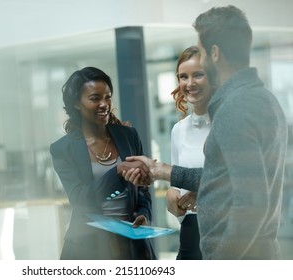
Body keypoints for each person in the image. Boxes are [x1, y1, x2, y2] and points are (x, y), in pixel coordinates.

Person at [125, 5, 288, 259]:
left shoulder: (235, 109)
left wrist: (217, 258)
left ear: (214, 53)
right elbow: (228, 179)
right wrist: (161, 172)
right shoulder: (263, 99)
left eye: (201, 51)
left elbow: (249, 204)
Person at [50, 66, 156, 260]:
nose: (104, 104)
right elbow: (80, 200)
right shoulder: (63, 149)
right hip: (89, 246)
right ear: (76, 104)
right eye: (94, 98)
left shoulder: (128, 136)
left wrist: (144, 213)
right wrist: (117, 172)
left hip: (131, 244)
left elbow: (142, 189)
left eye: (107, 97)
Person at [165, 45, 213, 260]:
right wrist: (171, 195)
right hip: (191, 234)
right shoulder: (179, 130)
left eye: (198, 75)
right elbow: (176, 183)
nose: (190, 83)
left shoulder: (229, 125)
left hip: (224, 233)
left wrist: (202, 196)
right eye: (183, 76)